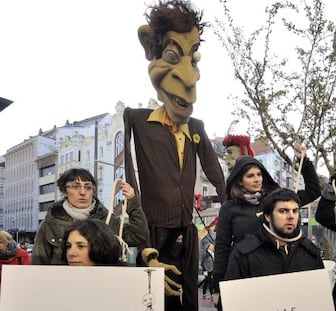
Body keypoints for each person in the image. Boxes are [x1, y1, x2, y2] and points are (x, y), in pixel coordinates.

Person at [123, 1, 226, 310]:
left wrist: (231, 204)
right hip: (152, 224)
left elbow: (213, 168)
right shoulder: (138, 120)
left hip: (185, 224)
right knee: (151, 293)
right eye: (172, 54)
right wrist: (140, 230)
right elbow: (126, 171)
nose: (190, 78)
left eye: (193, 58)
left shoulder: (195, 126)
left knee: (186, 290)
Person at [214, 149, 320, 290]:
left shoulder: (276, 200)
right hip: (245, 270)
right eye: (250, 176)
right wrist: (218, 286)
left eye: (259, 174)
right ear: (240, 181)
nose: (257, 179)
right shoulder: (229, 208)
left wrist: (304, 162)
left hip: (276, 267)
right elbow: (222, 247)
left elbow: (313, 191)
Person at [31, 168, 149, 265]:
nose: (82, 192)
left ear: (93, 190)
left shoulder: (107, 219)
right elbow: (38, 262)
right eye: (76, 186)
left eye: (88, 187)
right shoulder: (50, 223)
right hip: (62, 286)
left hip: (100, 284)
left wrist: (132, 202)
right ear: (65, 191)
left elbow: (138, 237)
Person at [224, 188, 324, 280]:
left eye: (295, 211)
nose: (291, 216)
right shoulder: (244, 254)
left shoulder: (310, 252)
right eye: (283, 211)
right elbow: (232, 297)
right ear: (268, 216)